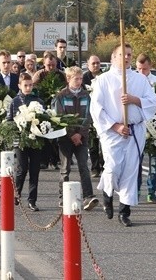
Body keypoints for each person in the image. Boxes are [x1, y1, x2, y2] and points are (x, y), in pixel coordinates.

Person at [90, 44, 156, 227]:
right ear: (113, 58)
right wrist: (116, 126)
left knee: (130, 170)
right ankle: (108, 194)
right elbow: (97, 109)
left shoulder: (140, 80)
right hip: (112, 132)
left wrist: (134, 100)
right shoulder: (104, 80)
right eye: (122, 54)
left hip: (135, 130)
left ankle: (124, 211)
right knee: (112, 167)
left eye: (128, 54)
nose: (126, 58)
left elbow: (152, 102)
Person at [51, 66, 99, 210]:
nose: (79, 81)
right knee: (65, 169)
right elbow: (60, 117)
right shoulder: (61, 96)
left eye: (80, 79)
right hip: (65, 139)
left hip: (82, 138)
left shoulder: (86, 95)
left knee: (84, 167)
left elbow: (89, 116)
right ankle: (63, 197)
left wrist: (80, 134)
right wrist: (72, 134)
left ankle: (88, 197)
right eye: (75, 79)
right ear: (68, 79)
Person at [7, 72, 45, 211]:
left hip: (35, 140)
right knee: (22, 168)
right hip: (21, 140)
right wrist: (18, 128)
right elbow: (9, 120)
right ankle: (16, 194)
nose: (28, 88)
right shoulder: (15, 101)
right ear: (19, 86)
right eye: (25, 85)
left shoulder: (38, 101)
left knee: (35, 170)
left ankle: (32, 200)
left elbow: (44, 118)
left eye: (30, 85)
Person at [136, 53, 156, 204]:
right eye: (139, 69)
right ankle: (136, 190)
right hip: (139, 127)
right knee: (136, 163)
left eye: (144, 69)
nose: (141, 72)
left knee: (154, 164)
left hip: (155, 129)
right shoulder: (132, 81)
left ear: (150, 67)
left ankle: (151, 192)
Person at [83, 55, 104, 178]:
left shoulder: (104, 76)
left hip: (103, 113)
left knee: (104, 143)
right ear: (88, 64)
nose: (96, 65)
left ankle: (104, 164)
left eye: (97, 63)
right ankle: (95, 168)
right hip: (89, 114)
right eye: (93, 63)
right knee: (93, 143)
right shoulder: (85, 78)